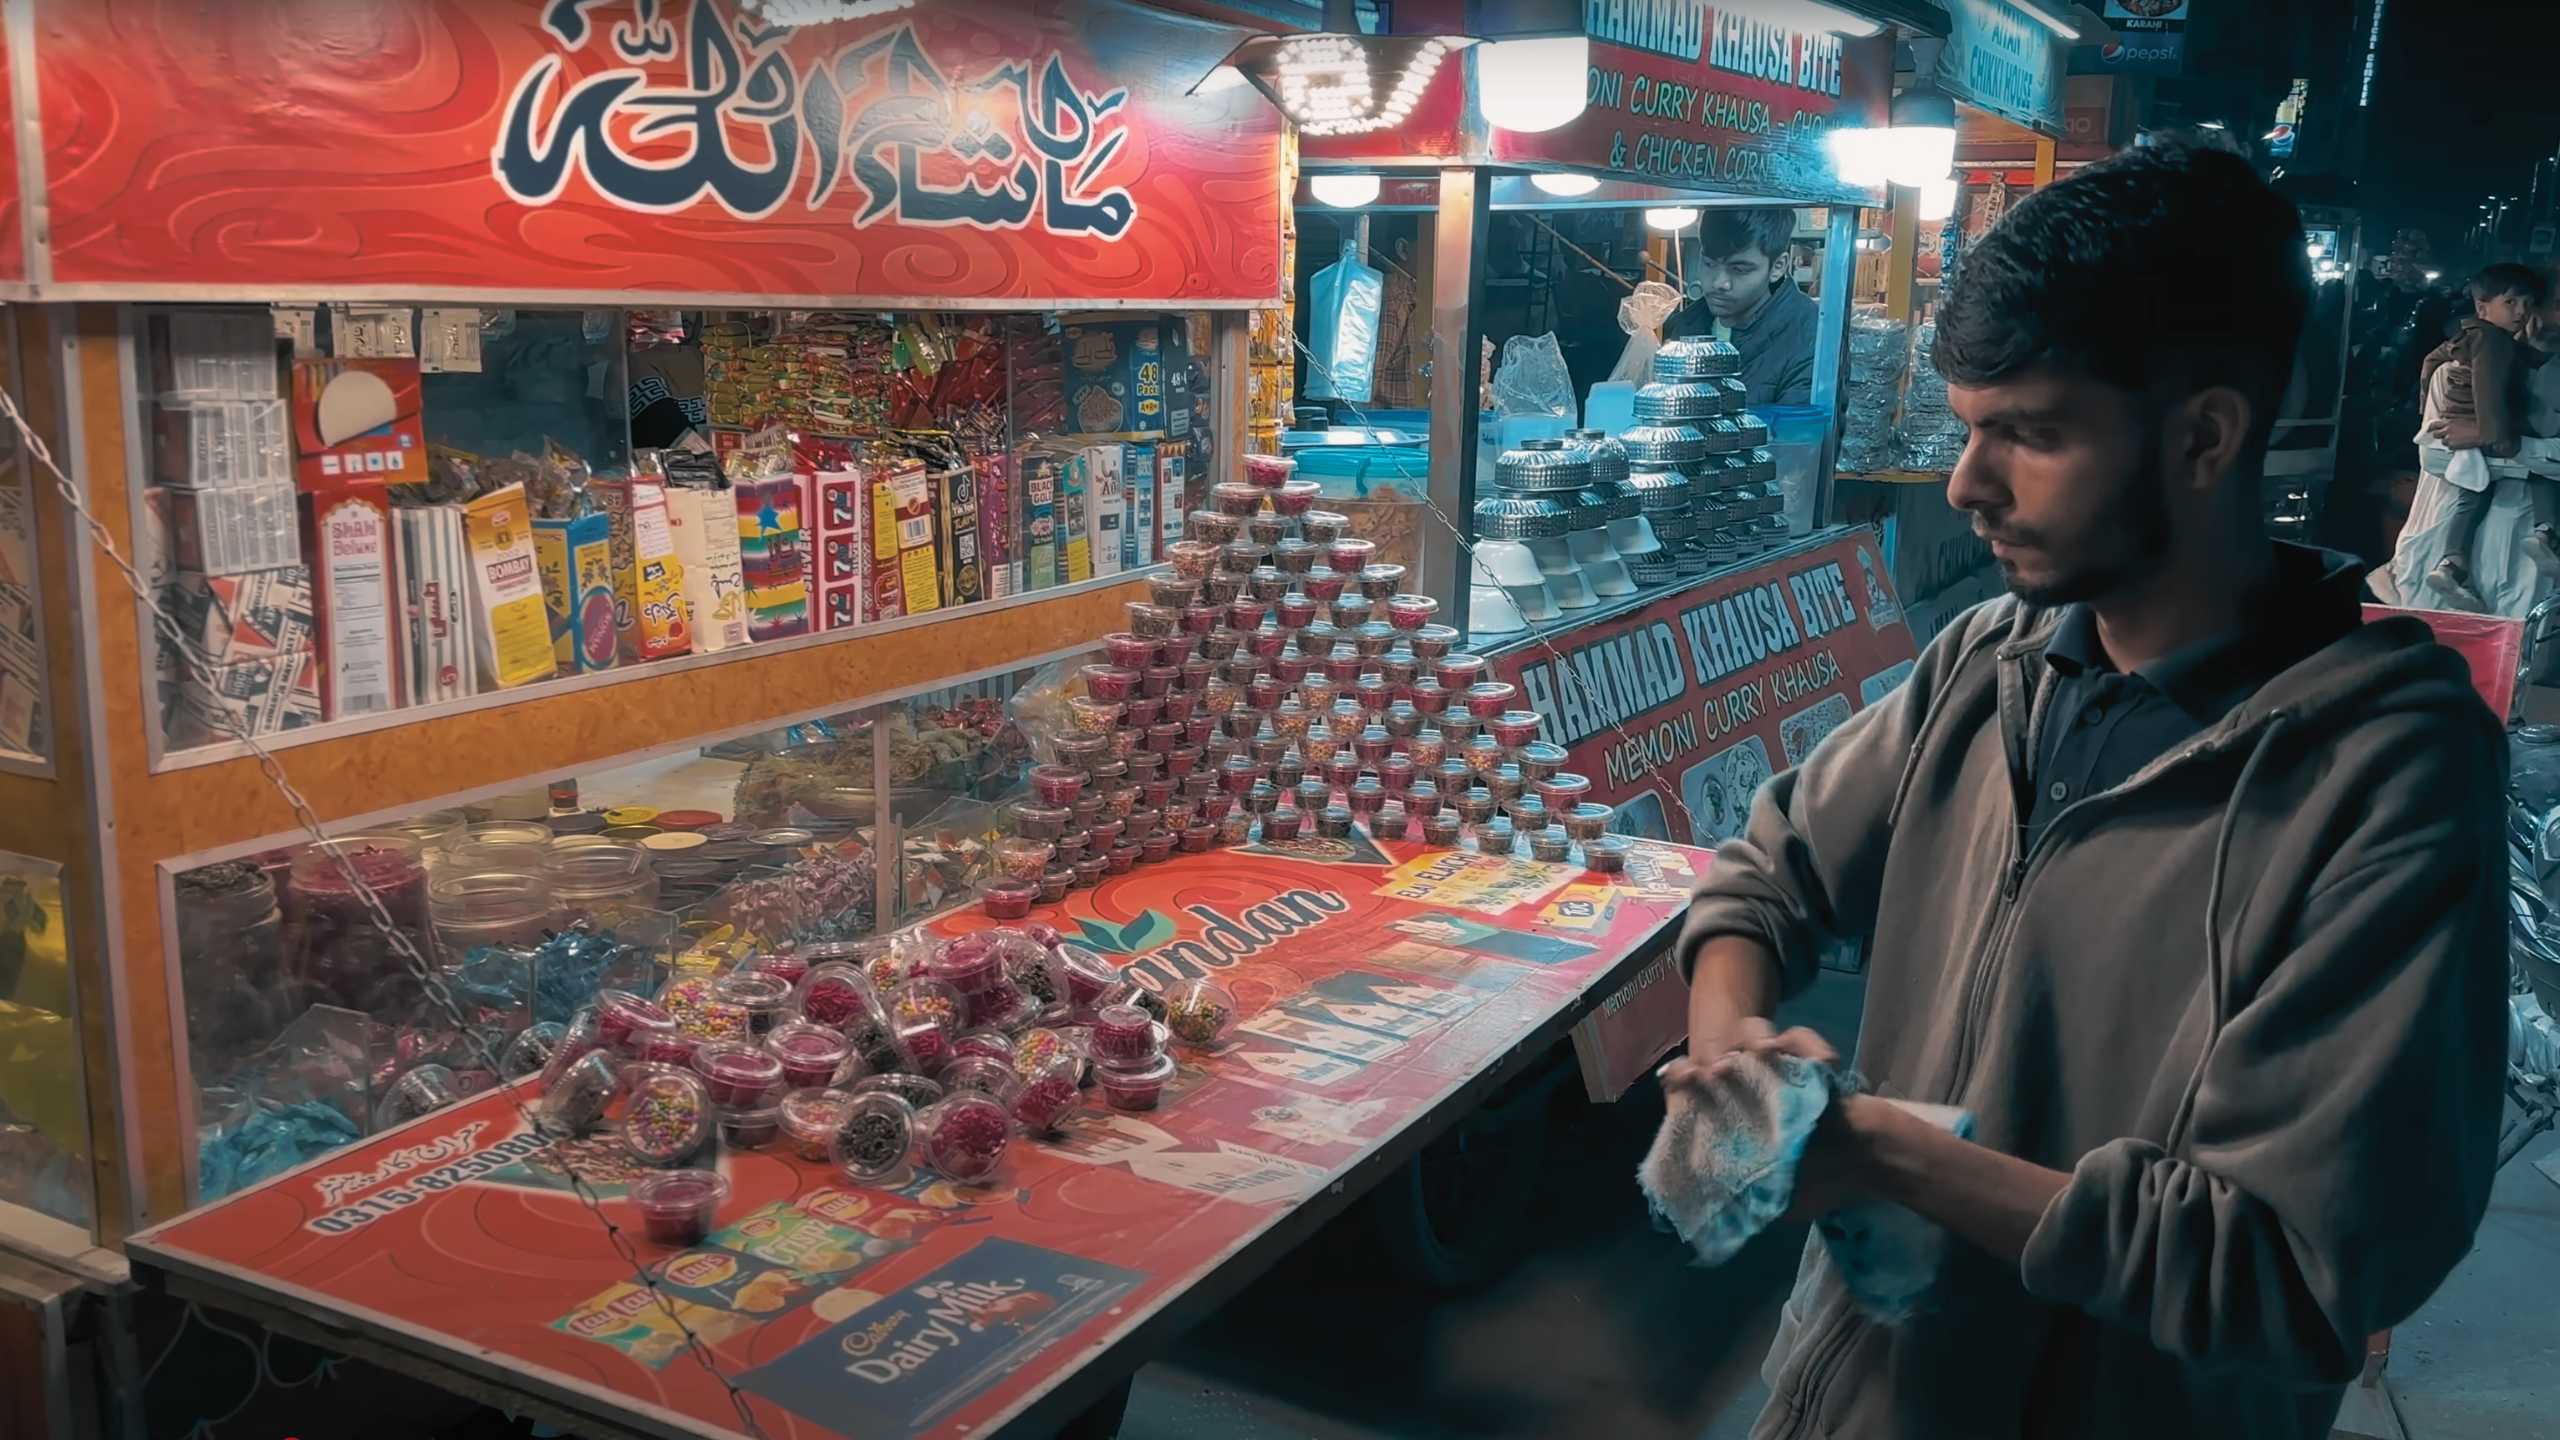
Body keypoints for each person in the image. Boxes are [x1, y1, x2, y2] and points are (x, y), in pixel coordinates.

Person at [1664, 142, 2506, 1440]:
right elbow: (1765, 868)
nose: (1966, 487)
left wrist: (1882, 1153)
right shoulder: (1990, 662)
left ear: (2206, 436)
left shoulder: (2383, 779)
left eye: (2032, 435)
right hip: (1866, 1384)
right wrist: (1736, 1045)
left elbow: (2290, 1276)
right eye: (1967, 431)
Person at [2422, 262, 2554, 607]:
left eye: (2529, 304)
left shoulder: (2500, 354)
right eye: (2513, 303)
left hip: (2517, 561)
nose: (2524, 313)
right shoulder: (2471, 361)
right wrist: (2509, 443)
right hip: (2478, 537)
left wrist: (2489, 439)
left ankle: (2454, 562)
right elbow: (2435, 453)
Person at [1669, 206, 1814, 407]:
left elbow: (1795, 435)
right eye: (1709, 264)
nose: (1719, 283)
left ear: (1778, 267)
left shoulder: (1810, 335)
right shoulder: (1688, 325)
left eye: (1739, 269)